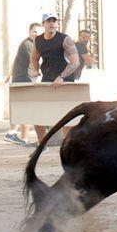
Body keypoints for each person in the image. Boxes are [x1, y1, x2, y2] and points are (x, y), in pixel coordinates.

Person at [29, 13, 81, 143]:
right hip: (47, 82)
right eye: (48, 21)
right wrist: (35, 70)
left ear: (57, 24)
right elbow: (34, 58)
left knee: (67, 118)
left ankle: (68, 147)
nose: (52, 23)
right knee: (37, 116)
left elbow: (75, 62)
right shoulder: (38, 40)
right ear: (43, 24)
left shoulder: (65, 39)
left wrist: (62, 77)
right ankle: (42, 146)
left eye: (54, 21)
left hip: (65, 83)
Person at [3, 22, 43, 145]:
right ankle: (22, 137)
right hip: (24, 80)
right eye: (34, 31)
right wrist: (40, 70)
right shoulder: (28, 45)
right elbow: (34, 61)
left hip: (24, 79)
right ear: (29, 32)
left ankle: (15, 133)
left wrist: (9, 74)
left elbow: (15, 60)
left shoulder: (32, 44)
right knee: (27, 108)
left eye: (39, 32)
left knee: (24, 108)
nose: (37, 34)